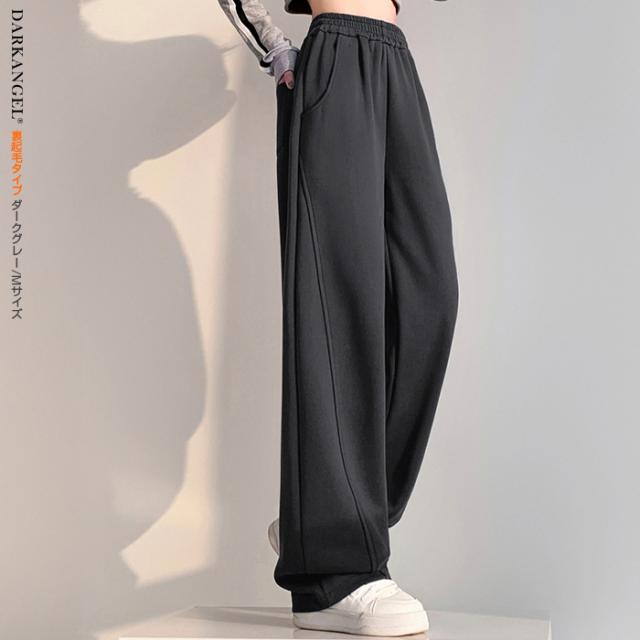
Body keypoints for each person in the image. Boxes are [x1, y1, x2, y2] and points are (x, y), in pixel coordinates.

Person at [217, 0, 458, 635]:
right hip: (335, 59)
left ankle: (323, 520)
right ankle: (334, 569)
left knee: (430, 299)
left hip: (395, 62)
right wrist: (274, 45)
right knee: (338, 306)